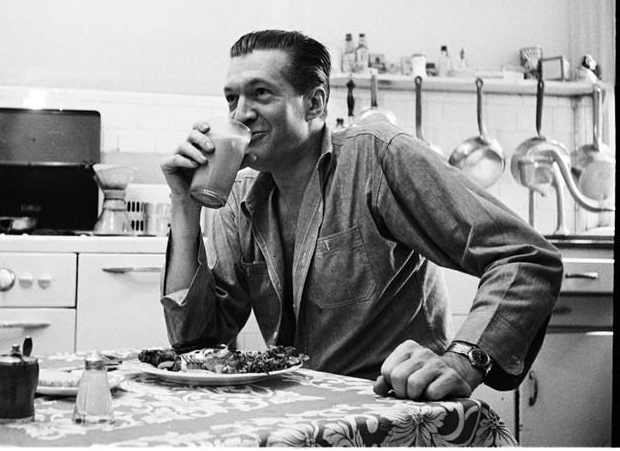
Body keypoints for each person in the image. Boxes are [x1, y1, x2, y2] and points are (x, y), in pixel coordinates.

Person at [159, 29, 562, 400]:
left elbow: (525, 256)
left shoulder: (378, 157)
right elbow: (197, 343)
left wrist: (464, 360)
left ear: (314, 103)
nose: (240, 114)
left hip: (397, 410)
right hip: (303, 414)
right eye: (232, 99)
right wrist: (184, 205)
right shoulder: (240, 195)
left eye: (260, 93)